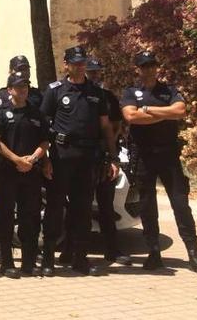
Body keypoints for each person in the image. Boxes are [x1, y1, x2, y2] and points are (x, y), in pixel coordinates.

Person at [121, 51, 197, 277]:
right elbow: (131, 117)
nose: (149, 69)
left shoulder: (169, 90)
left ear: (156, 67)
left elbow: (180, 111)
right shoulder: (131, 92)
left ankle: (194, 255)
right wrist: (166, 113)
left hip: (168, 156)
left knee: (181, 205)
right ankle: (154, 253)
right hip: (143, 156)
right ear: (138, 69)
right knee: (148, 206)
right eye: (144, 66)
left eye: (152, 65)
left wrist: (149, 110)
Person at [40, 46, 119, 277]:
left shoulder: (96, 93)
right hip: (61, 155)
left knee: (82, 210)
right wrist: (44, 158)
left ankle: (80, 258)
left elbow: (105, 127)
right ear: (66, 64)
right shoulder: (55, 91)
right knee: (55, 208)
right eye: (75, 63)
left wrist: (113, 157)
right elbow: (44, 125)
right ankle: (48, 259)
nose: (80, 66)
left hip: (87, 158)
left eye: (82, 62)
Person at [61, 58, 131, 266]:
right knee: (76, 207)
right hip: (83, 159)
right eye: (90, 71)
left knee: (106, 207)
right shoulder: (74, 93)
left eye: (96, 72)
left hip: (103, 159)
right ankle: (69, 249)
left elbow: (115, 126)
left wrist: (110, 156)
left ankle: (112, 250)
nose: (93, 75)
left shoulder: (106, 97)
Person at [0, 71, 51, 278]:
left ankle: (29, 262)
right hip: (8, 172)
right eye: (18, 86)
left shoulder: (36, 113)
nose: (22, 89)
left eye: (25, 86)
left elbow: (44, 141)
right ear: (9, 90)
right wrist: (17, 160)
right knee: (5, 218)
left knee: (30, 218)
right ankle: (6, 263)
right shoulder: (0, 112)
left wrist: (32, 159)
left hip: (31, 173)